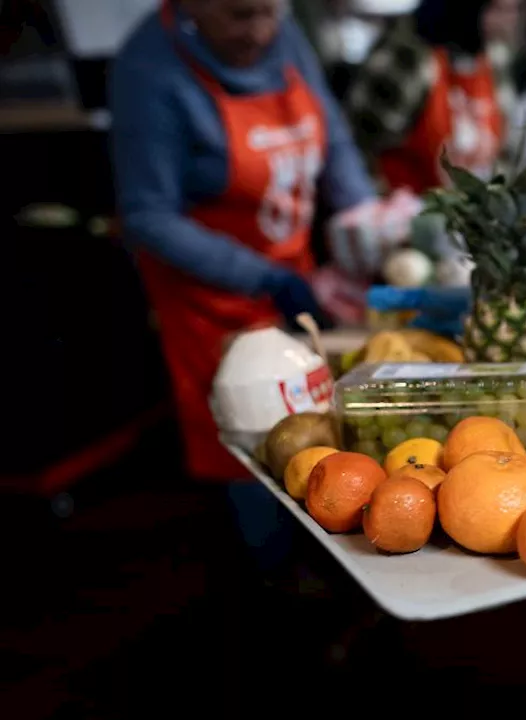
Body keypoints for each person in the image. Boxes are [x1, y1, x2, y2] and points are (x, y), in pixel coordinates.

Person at [109, 0, 383, 570]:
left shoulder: (282, 37)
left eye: (269, 13)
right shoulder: (150, 68)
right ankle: (270, 587)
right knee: (250, 455)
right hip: (213, 305)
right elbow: (146, 215)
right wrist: (265, 278)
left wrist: (365, 219)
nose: (258, 32)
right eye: (238, 15)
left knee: (315, 440)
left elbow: (332, 141)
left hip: (292, 279)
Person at [344, 0, 520, 194]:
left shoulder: (495, 59)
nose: (508, 21)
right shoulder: (407, 56)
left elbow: (504, 152)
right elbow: (362, 146)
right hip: (405, 208)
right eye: (499, 11)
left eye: (514, 10)